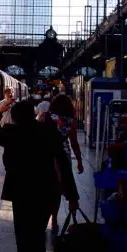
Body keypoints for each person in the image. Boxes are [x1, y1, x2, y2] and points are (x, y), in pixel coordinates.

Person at [0, 100, 79, 252]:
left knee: (23, 238)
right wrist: (72, 196)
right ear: (32, 114)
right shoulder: (49, 132)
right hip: (45, 191)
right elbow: (63, 162)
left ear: (14, 117)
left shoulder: (11, 132)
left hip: (21, 193)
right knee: (37, 236)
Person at [40, 94, 84, 233]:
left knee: (47, 187)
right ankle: (54, 219)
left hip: (45, 155)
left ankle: (43, 217)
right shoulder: (70, 121)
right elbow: (74, 144)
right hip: (62, 155)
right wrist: (79, 162)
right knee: (58, 189)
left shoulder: (45, 116)